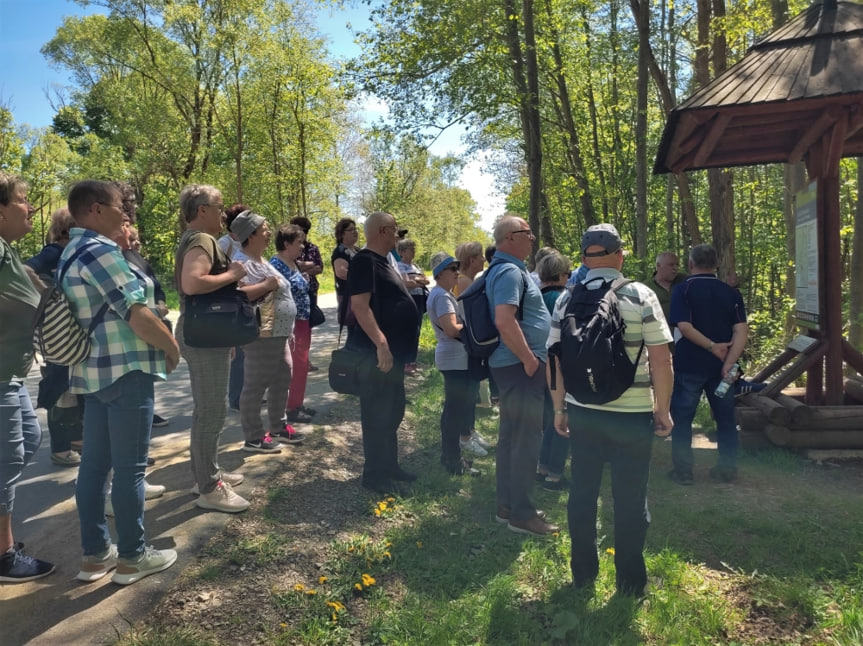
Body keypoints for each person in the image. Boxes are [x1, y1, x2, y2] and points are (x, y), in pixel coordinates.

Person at [61, 180, 181, 585]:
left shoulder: (71, 252)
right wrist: (171, 347)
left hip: (93, 373)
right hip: (126, 370)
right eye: (118, 207)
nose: (124, 214)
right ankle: (132, 556)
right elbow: (135, 312)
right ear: (95, 209)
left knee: (94, 467)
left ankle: (95, 555)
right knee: (130, 470)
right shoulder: (99, 250)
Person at [548, 222, 674, 597]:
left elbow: (552, 360)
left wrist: (558, 408)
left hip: (582, 411)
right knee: (631, 499)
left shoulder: (565, 299)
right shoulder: (640, 294)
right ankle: (631, 583)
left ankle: (583, 575)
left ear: (585, 258)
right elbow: (661, 359)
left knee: (583, 494)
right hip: (632, 417)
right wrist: (662, 409)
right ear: (620, 255)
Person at [174, 185, 250, 513]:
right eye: (219, 208)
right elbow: (192, 283)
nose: (222, 215)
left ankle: (208, 473)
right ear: (202, 209)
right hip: (201, 337)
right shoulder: (202, 239)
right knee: (211, 412)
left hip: (207, 335)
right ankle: (208, 487)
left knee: (211, 410)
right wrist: (233, 273)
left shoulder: (197, 238)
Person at [486, 214, 558, 537]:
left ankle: (508, 506)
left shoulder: (505, 270)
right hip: (520, 367)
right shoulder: (509, 272)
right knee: (527, 440)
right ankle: (523, 514)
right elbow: (504, 320)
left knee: (513, 438)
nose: (532, 237)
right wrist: (530, 359)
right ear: (510, 237)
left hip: (514, 366)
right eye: (527, 233)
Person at [0, 172, 55, 582]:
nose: (30, 207)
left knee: (29, 441)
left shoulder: (7, 251)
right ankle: (3, 556)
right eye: (22, 199)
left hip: (12, 375)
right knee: (6, 460)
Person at [347, 211, 420, 494]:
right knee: (377, 414)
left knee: (392, 411)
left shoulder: (383, 261)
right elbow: (360, 307)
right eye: (394, 230)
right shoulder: (364, 262)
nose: (397, 235)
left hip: (393, 355)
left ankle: (390, 465)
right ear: (382, 231)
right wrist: (381, 343)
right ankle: (374, 474)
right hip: (375, 354)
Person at [669, 244, 749, 484]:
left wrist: (711, 346)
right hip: (723, 369)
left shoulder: (683, 290)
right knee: (725, 418)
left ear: (690, 264)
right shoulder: (731, 293)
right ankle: (727, 468)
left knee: (682, 419)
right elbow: (741, 331)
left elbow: (684, 327)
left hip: (689, 365)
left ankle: (683, 472)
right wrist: (728, 361)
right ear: (716, 265)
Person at [231, 212, 303, 454]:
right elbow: (241, 295)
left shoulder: (262, 260)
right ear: (251, 235)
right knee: (255, 384)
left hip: (278, 333)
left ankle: (278, 427)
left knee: (283, 376)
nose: (268, 232)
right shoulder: (241, 262)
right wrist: (267, 285)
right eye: (264, 229)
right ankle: (253, 436)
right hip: (261, 333)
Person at [25, 207, 83, 466]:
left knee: (69, 388)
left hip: (68, 330)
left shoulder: (70, 252)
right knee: (60, 388)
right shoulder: (55, 251)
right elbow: (27, 270)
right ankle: (60, 449)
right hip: (59, 331)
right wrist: (50, 295)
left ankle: (74, 442)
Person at [426, 252, 481, 476]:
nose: (457, 272)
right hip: (454, 359)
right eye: (452, 269)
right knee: (454, 412)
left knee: (454, 410)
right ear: (440, 273)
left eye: (457, 267)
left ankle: (452, 456)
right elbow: (450, 329)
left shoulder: (443, 294)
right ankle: (451, 460)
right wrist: (473, 331)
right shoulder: (441, 296)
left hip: (454, 359)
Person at [270, 223, 316, 425]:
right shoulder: (275, 265)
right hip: (290, 323)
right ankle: (290, 408)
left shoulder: (293, 263)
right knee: (294, 366)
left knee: (302, 364)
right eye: (299, 243)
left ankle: (297, 403)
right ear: (286, 244)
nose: (303, 247)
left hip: (303, 320)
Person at [534, 250, 572, 491]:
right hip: (560, 366)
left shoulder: (536, 297)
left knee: (550, 419)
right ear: (560, 275)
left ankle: (543, 467)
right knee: (563, 419)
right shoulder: (564, 299)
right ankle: (555, 475)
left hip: (540, 363)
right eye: (568, 273)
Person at [222, 204, 250, 411]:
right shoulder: (224, 243)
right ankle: (236, 398)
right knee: (238, 354)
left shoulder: (247, 242)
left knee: (249, 352)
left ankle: (247, 393)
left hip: (250, 301)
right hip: (232, 302)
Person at [290, 216, 324, 372]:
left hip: (310, 291)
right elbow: (290, 266)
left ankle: (305, 358)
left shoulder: (313, 248)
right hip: (292, 292)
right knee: (293, 326)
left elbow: (319, 268)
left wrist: (301, 267)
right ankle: (293, 358)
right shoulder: (289, 246)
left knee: (307, 327)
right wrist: (305, 267)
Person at [396, 238, 429, 374]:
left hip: (420, 299)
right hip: (409, 299)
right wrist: (417, 281)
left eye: (414, 249)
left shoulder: (415, 266)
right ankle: (405, 362)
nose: (414, 252)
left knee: (417, 330)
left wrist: (415, 280)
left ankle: (412, 361)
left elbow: (426, 280)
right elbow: (406, 284)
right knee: (408, 331)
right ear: (402, 252)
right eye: (411, 249)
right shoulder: (399, 266)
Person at [644, 251, 687, 324]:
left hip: (686, 332)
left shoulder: (685, 281)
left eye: (677, 265)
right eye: (671, 265)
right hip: (658, 332)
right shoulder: (645, 287)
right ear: (658, 265)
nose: (675, 268)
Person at [331, 217, 359, 327]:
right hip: (349, 295)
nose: (355, 232)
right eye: (351, 229)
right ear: (342, 234)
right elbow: (341, 273)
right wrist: (363, 277)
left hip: (360, 294)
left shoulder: (357, 250)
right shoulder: (340, 252)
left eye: (355, 229)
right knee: (355, 331)